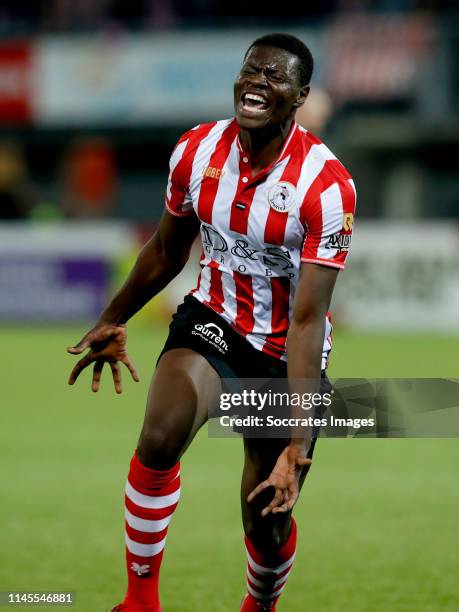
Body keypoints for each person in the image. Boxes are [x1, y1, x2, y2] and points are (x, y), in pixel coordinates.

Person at [67, 33, 356, 612]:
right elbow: (167, 251)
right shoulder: (196, 151)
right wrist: (111, 317)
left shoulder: (326, 187)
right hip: (213, 319)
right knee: (159, 435)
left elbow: (307, 320)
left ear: (299, 97)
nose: (256, 82)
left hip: (283, 355)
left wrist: (298, 443)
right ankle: (140, 601)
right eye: (250, 70)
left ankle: (260, 604)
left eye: (274, 77)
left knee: (263, 518)